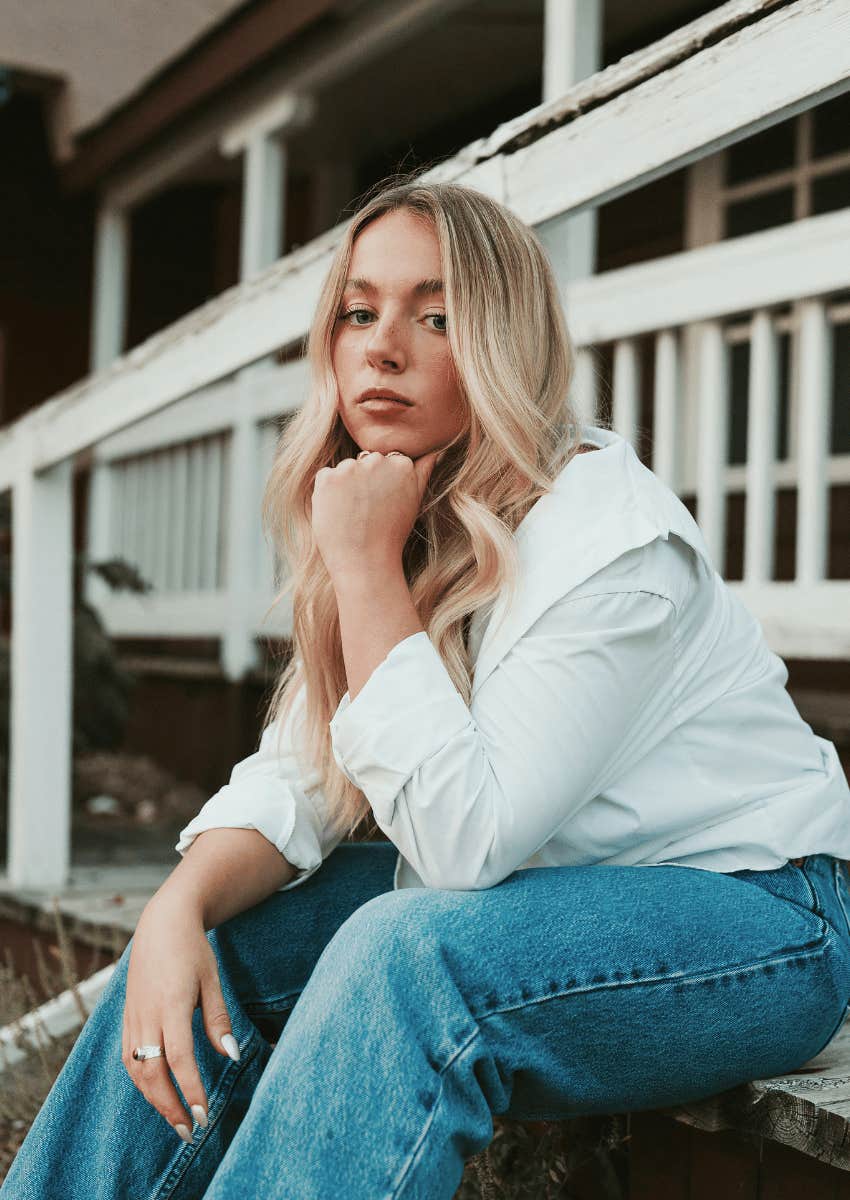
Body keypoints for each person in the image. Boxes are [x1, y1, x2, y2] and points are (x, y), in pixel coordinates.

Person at [5, 175, 850, 1200]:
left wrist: (363, 572)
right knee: (230, 934)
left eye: (436, 316)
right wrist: (176, 906)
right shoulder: (407, 505)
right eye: (358, 312)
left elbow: (463, 847)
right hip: (555, 898)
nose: (382, 345)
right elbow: (301, 778)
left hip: (760, 921)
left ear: (502, 344)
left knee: (408, 955)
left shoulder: (609, 542)